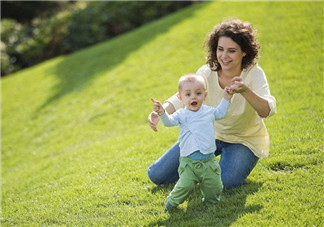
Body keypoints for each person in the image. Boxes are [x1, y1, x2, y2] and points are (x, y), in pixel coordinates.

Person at [147, 19, 276, 189]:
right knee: (157, 175)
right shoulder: (207, 72)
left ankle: (209, 168)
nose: (224, 56)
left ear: (244, 52)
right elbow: (184, 96)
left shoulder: (254, 74)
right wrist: (163, 111)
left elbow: (266, 110)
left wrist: (245, 91)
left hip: (243, 140)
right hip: (207, 134)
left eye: (232, 51)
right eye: (220, 49)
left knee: (224, 183)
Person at [151, 73, 233, 211]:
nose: (193, 97)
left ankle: (211, 204)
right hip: (189, 163)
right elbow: (168, 122)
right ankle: (172, 203)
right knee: (185, 186)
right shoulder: (181, 114)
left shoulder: (209, 112)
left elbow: (220, 113)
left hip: (209, 162)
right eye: (188, 94)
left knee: (215, 186)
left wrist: (226, 98)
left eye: (198, 93)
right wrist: (162, 112)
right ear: (180, 98)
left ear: (204, 95)